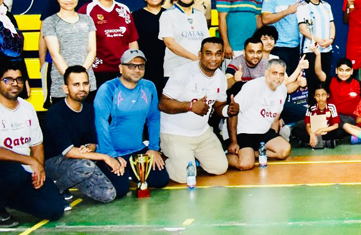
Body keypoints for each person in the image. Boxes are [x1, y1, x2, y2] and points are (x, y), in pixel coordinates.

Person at [0, 62, 67, 227]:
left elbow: (37, 145)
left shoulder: (27, 108)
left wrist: (39, 170)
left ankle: (8, 197)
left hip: (22, 173)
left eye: (19, 79)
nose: (15, 84)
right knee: (12, 171)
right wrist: (30, 161)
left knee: (55, 208)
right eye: (8, 80)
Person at [158, 38, 238, 183]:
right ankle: (165, 157)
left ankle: (188, 157)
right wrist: (190, 106)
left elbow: (218, 106)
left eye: (218, 54)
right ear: (200, 54)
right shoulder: (183, 72)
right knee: (186, 177)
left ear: (222, 56)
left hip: (202, 134)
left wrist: (228, 110)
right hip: (176, 134)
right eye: (208, 53)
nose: (213, 58)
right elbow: (163, 104)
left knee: (220, 168)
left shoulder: (220, 76)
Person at [43, 66, 123, 203]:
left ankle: (73, 180)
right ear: (65, 88)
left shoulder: (88, 109)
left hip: (79, 160)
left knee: (108, 195)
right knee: (86, 166)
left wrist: (88, 149)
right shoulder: (55, 113)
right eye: (76, 84)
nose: (82, 88)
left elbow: (91, 142)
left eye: (85, 84)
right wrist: (105, 157)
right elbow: (68, 152)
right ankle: (55, 188)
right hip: (54, 162)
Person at [93, 49, 169, 191]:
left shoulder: (149, 86)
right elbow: (101, 124)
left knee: (161, 179)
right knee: (120, 189)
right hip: (111, 151)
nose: (137, 70)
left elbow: (153, 118)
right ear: (121, 68)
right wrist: (111, 156)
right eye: (132, 66)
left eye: (141, 66)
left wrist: (153, 148)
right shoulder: (108, 89)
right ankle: (104, 169)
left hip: (136, 150)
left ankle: (129, 173)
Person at [228, 58, 302, 169]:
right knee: (245, 164)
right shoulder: (253, 87)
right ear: (266, 72)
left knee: (284, 151)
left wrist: (273, 135)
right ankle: (224, 157)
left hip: (263, 132)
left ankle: (253, 153)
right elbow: (232, 112)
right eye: (274, 73)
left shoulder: (282, 89)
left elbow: (276, 117)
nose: (278, 77)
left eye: (281, 74)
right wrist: (233, 141)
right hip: (243, 132)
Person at [39, 0, 94, 102]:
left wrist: (82, 78)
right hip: (61, 81)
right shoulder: (51, 21)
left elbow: (92, 50)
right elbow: (55, 54)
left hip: (88, 81)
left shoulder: (87, 19)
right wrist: (71, 79)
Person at [79, 0, 139, 87]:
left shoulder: (124, 9)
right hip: (97, 70)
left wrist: (133, 64)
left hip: (122, 70)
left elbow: (132, 41)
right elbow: (79, 41)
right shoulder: (87, 10)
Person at [159, 0, 209, 80]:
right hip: (176, 70)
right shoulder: (167, 15)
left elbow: (206, 42)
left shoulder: (200, 15)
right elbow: (169, 43)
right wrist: (195, 58)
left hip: (198, 71)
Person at [297, 0, 335, 95]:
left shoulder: (326, 6)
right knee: (313, 83)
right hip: (311, 50)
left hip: (327, 49)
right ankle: (312, 111)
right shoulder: (303, 7)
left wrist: (330, 40)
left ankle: (325, 111)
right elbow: (303, 29)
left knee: (325, 82)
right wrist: (318, 40)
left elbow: (332, 25)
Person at [261, 0, 303, 71]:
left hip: (295, 47)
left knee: (291, 82)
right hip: (279, 47)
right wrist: (286, 11)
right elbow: (265, 19)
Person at [132, 0, 167, 88]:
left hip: (167, 64)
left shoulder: (170, 14)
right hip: (146, 64)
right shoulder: (136, 16)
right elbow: (133, 41)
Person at [328, 57, 361, 125]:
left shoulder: (358, 84)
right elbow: (318, 73)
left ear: (352, 71)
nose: (344, 73)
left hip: (349, 119)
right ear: (336, 71)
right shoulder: (330, 81)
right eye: (341, 70)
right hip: (332, 116)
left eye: (347, 70)